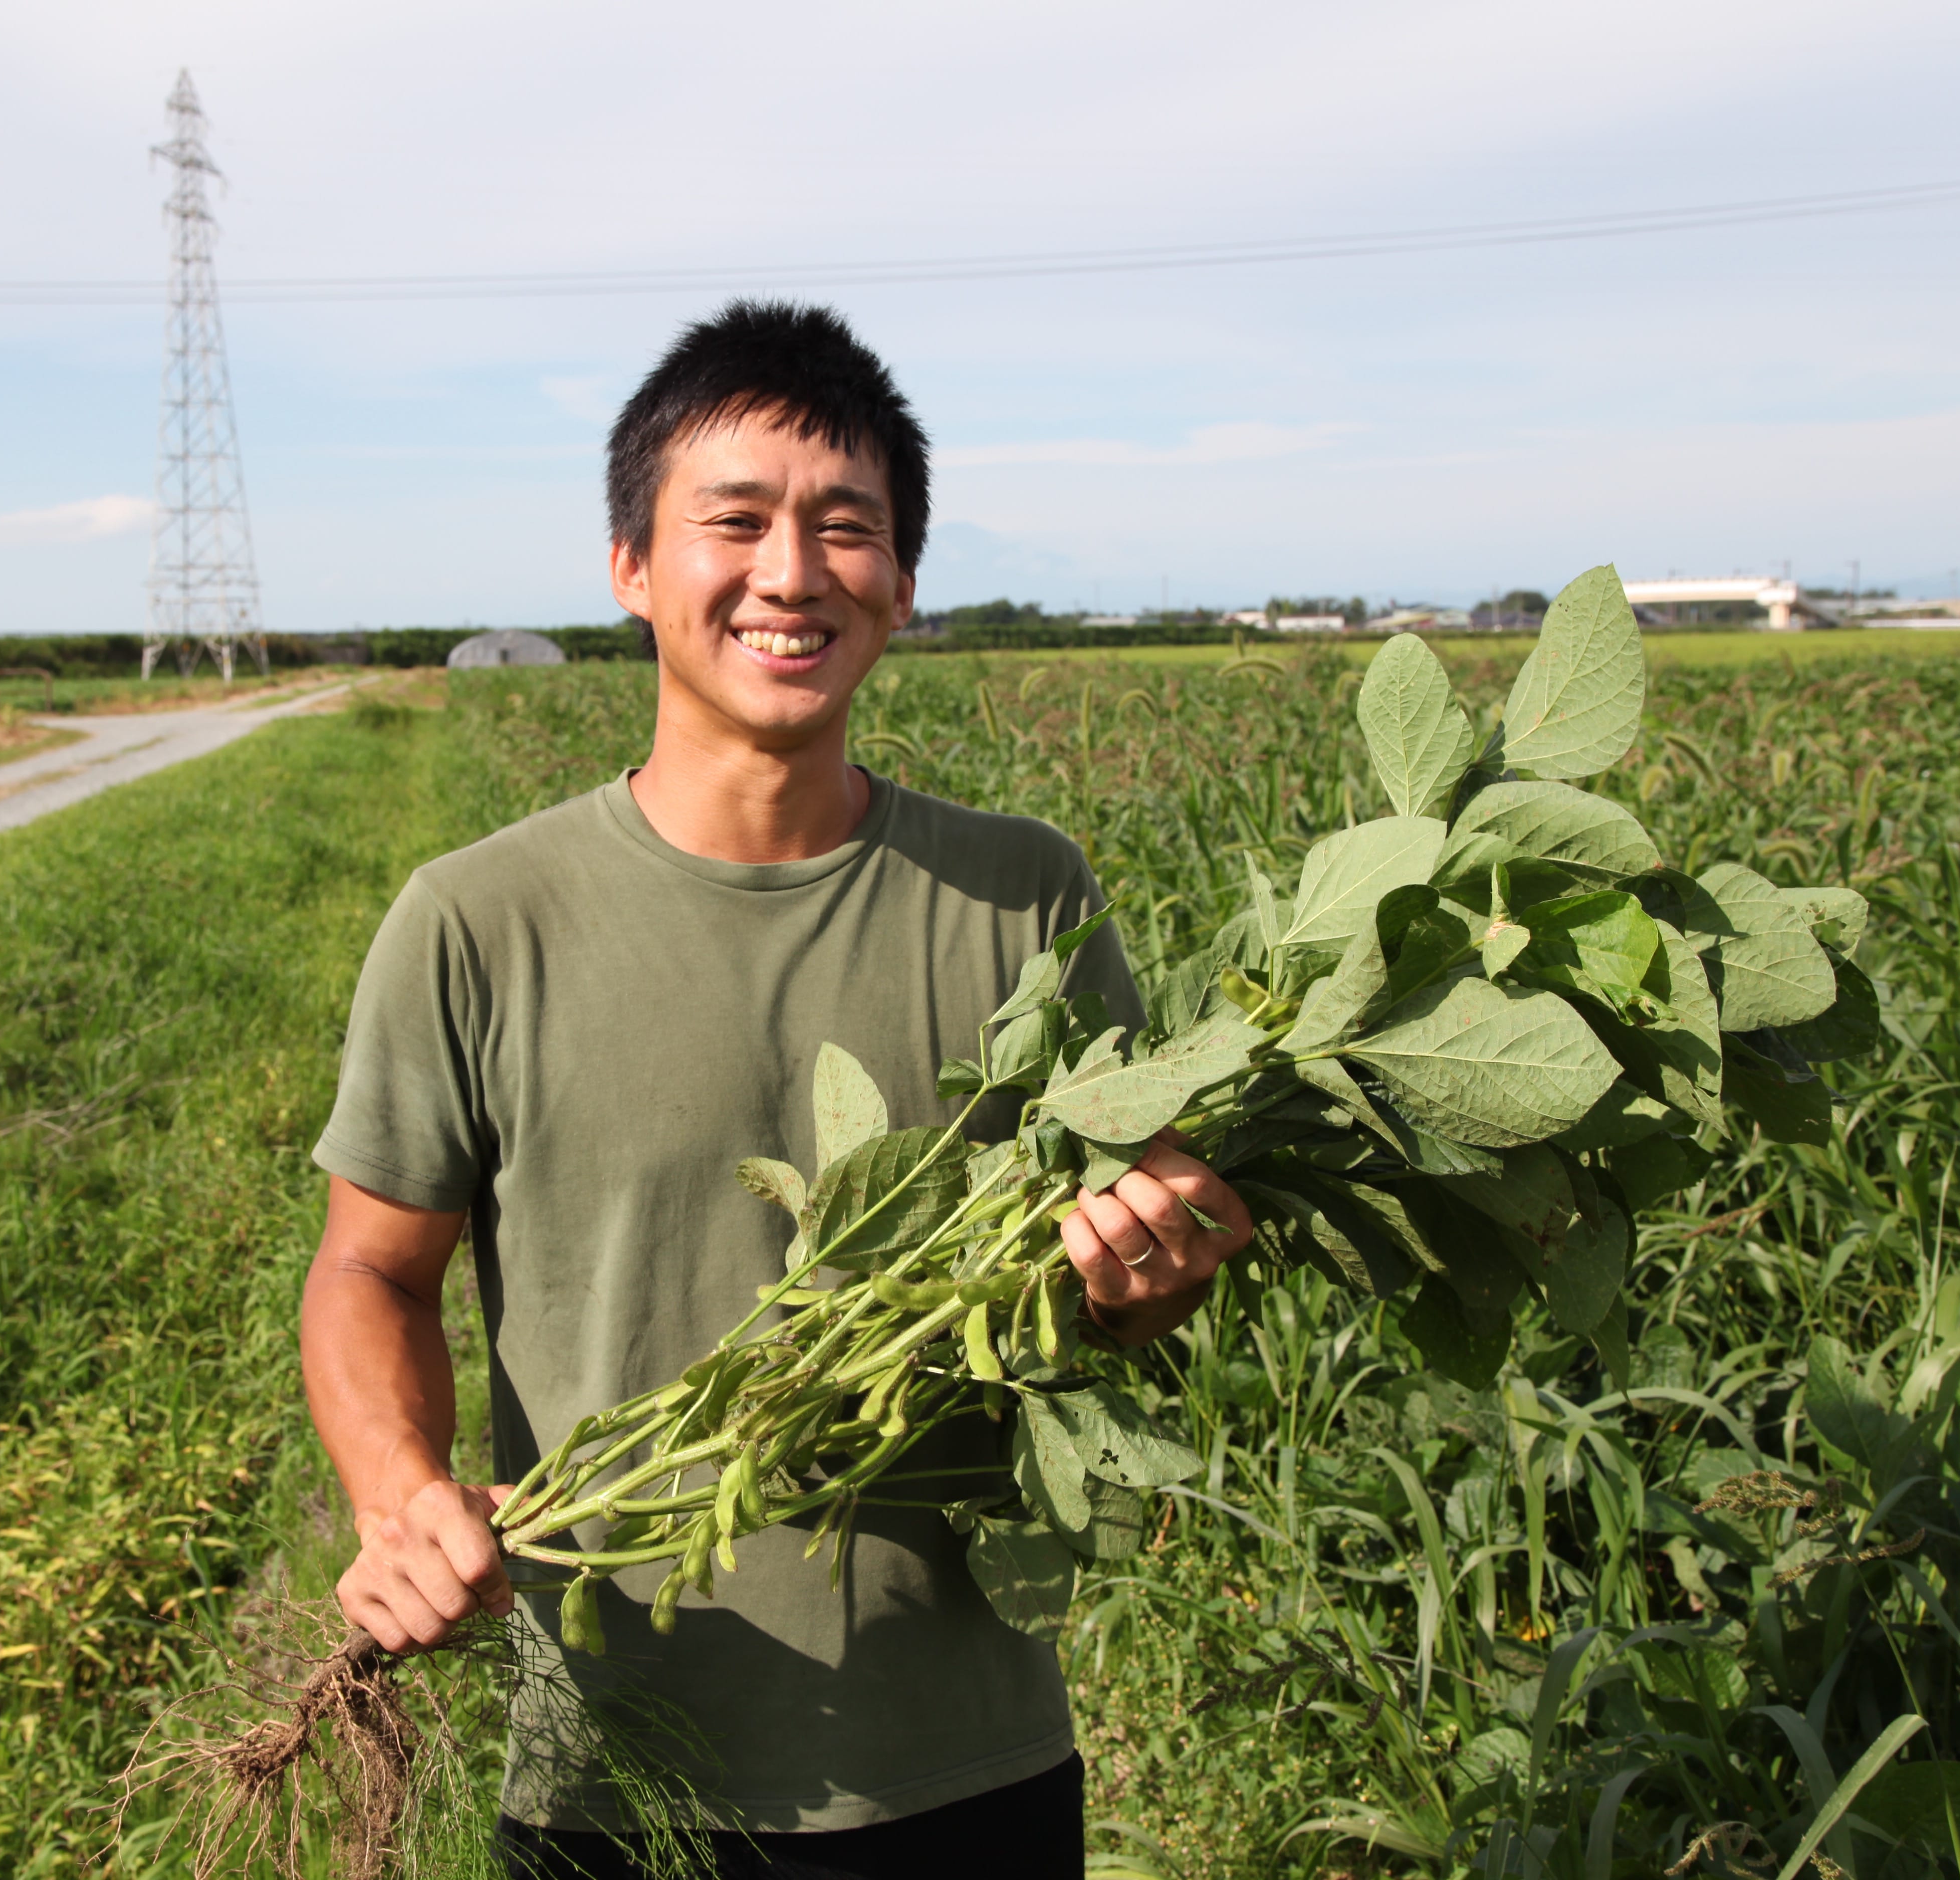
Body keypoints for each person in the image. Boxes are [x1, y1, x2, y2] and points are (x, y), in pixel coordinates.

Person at [301, 300, 1255, 1879]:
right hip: (616, 1773)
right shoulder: (478, 919)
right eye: (734, 522)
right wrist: (400, 1498)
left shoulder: (1025, 893)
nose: (794, 573)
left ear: (903, 582)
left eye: (848, 528)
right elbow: (369, 1271)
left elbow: (1129, 1271)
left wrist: (1153, 1276)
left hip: (966, 1760)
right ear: (632, 565)